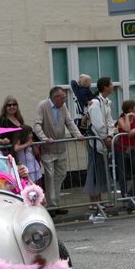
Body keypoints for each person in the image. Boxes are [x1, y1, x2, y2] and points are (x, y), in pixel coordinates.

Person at [33, 86, 84, 214]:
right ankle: (51, 206)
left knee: (61, 174)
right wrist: (44, 138)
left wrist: (77, 134)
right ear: (55, 98)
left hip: (60, 148)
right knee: (50, 176)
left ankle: (55, 203)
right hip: (48, 149)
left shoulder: (63, 107)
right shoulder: (42, 106)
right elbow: (37, 125)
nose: (64, 101)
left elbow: (69, 122)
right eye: (62, 98)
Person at [84, 77, 114, 204]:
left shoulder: (107, 102)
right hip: (95, 141)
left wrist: (110, 135)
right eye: (111, 84)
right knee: (94, 169)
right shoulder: (96, 103)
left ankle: (99, 199)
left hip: (103, 140)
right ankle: (93, 200)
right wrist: (105, 137)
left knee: (101, 169)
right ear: (105, 87)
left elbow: (109, 121)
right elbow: (97, 123)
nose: (112, 86)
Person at [113, 99, 135, 199]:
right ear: (130, 109)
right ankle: (124, 196)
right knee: (122, 174)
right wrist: (127, 117)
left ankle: (132, 194)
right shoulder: (121, 119)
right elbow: (126, 129)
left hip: (131, 149)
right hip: (120, 149)